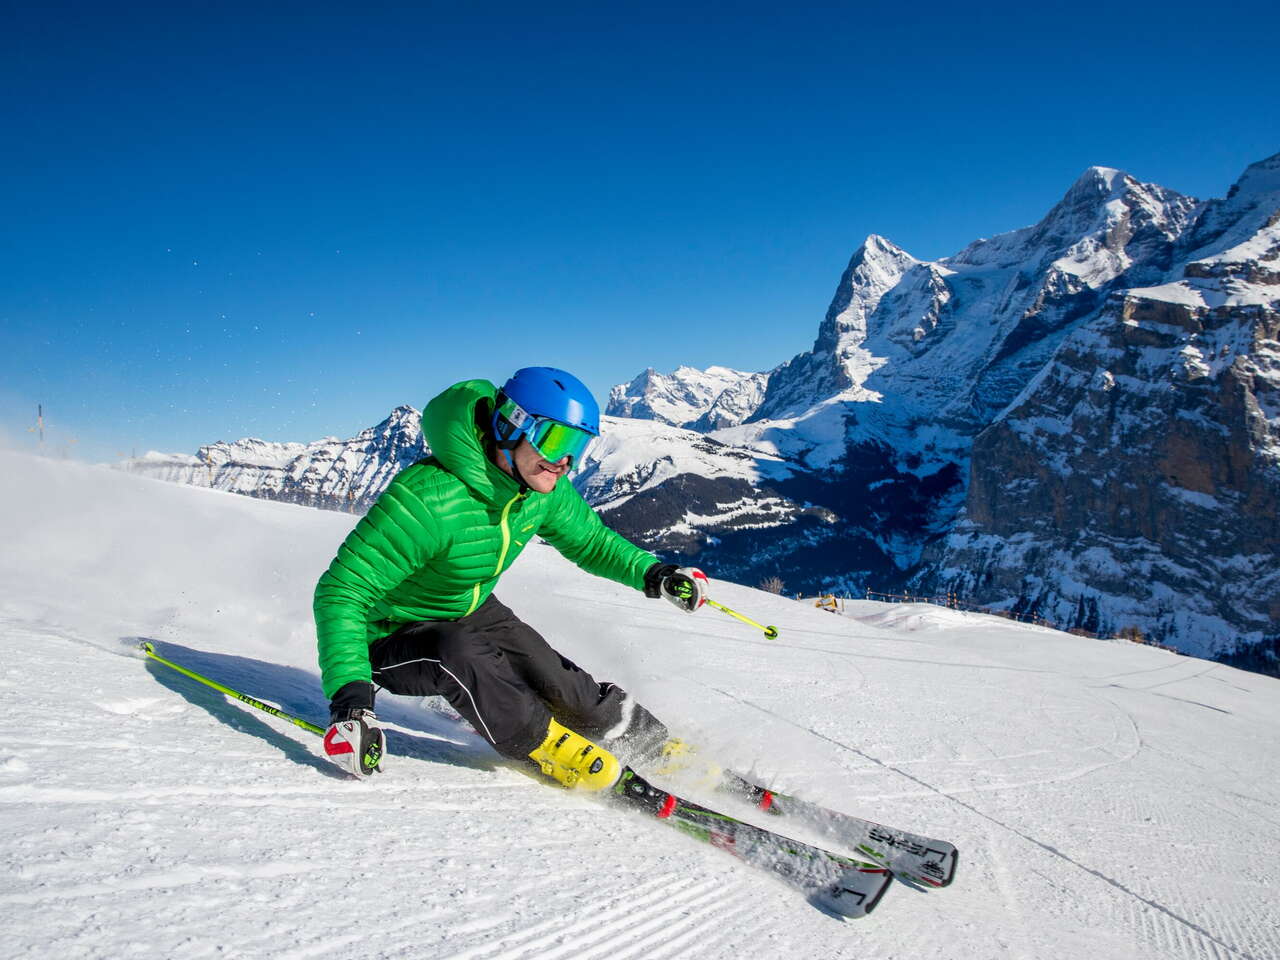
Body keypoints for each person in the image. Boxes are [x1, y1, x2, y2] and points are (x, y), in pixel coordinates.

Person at [313, 367, 709, 790]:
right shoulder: (430, 499)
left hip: (467, 605)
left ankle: (652, 745)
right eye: (556, 441)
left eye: (577, 446)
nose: (564, 462)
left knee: (558, 681)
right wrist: (351, 704)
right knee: (458, 651)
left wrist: (656, 574)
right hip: (387, 634)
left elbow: (590, 541)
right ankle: (547, 747)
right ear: (510, 425)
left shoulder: (538, 490)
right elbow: (341, 594)